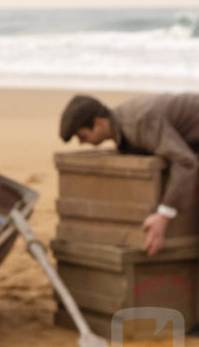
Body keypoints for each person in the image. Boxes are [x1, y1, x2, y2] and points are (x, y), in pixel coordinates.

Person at [59, 93, 199, 256]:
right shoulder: (124, 124)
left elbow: (186, 162)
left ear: (98, 123)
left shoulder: (141, 122)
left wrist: (162, 217)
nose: (82, 143)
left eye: (83, 136)